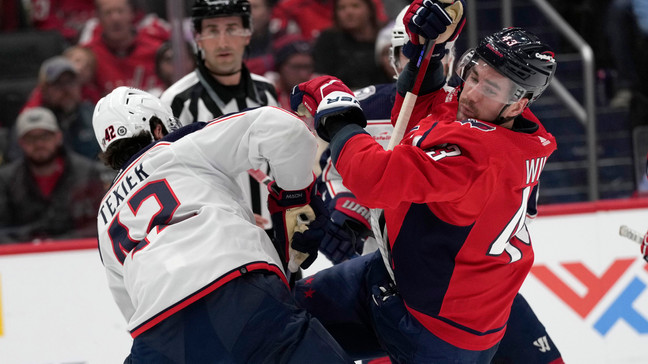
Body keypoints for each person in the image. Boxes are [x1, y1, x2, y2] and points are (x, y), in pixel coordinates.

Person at [289, 0, 560, 361]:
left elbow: (374, 180)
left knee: (288, 333)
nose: (470, 93)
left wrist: (336, 116)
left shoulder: (478, 157)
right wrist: (426, 50)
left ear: (518, 104)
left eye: (490, 89)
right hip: (405, 279)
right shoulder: (506, 125)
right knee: (282, 318)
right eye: (474, 75)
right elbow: (430, 106)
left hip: (436, 333)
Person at [92, 86, 352, 363]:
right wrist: (296, 196)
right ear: (158, 128)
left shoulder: (103, 217)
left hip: (157, 337)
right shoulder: (177, 146)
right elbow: (286, 128)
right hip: (236, 293)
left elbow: (129, 306)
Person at [160, 0, 280, 230]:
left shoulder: (266, 92)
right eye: (213, 31)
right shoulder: (176, 101)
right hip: (216, 237)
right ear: (198, 38)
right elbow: (170, 181)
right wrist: (226, 217)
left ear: (247, 34)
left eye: (232, 29)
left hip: (274, 234)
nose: (223, 42)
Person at [0, 107, 107, 244]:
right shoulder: (5, 179)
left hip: (77, 255)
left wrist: (57, 243)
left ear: (58, 137)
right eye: (31, 138)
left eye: (45, 136)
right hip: (21, 257)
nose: (39, 144)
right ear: (21, 143)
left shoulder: (87, 172)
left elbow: (98, 225)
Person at [80, 0, 170, 97]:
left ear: (132, 14)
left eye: (120, 11)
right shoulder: (90, 55)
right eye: (108, 13)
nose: (115, 18)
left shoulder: (156, 50)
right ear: (98, 18)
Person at [18, 56, 100, 161]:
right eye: (58, 83)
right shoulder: (32, 120)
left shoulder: (95, 114)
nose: (66, 89)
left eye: (70, 82)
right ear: (44, 89)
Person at [312, 0, 392, 89]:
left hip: (385, 93)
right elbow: (320, 77)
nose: (348, 12)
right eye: (341, 8)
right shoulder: (328, 39)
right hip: (344, 97)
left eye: (355, 6)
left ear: (369, 9)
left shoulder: (387, 35)